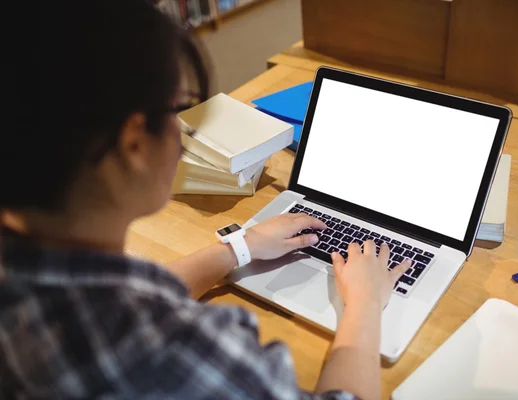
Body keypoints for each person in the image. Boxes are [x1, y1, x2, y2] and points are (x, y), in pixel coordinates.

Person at [1, 1, 411, 398]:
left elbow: (125, 292)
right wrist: (364, 303)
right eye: (178, 109)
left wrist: (237, 248)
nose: (183, 134)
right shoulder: (164, 352)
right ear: (134, 145)